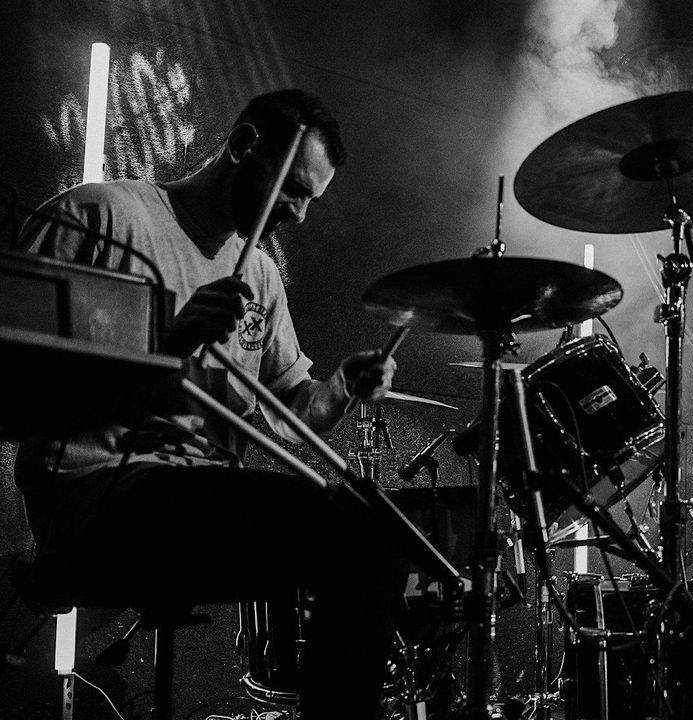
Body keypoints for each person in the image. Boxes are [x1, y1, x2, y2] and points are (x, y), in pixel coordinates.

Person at [14, 89, 404, 718]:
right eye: (293, 189)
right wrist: (168, 347)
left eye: (311, 199)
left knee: (376, 530)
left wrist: (338, 390)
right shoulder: (100, 216)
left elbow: (289, 417)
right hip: (93, 499)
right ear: (244, 145)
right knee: (357, 539)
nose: (301, 214)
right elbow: (17, 393)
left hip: (195, 498)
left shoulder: (260, 276)